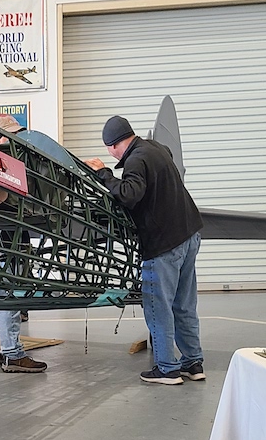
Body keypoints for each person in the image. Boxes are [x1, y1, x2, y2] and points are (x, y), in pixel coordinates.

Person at [87, 114, 204, 385]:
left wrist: (104, 173)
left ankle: (166, 368)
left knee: (157, 306)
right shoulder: (156, 149)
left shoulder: (135, 160)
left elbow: (129, 194)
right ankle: (193, 363)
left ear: (113, 145)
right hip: (189, 234)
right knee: (184, 305)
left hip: (164, 244)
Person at [0, 115, 47, 373]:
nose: (13, 140)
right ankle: (13, 353)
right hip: (2, 235)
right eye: (7, 136)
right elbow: (2, 197)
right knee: (4, 293)